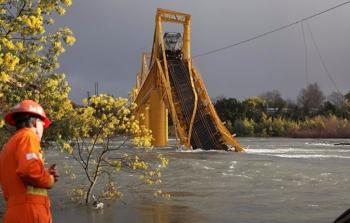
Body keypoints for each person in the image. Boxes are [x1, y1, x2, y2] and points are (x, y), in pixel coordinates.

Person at [0, 100, 59, 223]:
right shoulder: (28, 136)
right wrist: (49, 180)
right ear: (37, 123)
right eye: (43, 125)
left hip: (14, 213)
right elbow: (29, 171)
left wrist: (45, 171)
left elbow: (20, 176)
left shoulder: (9, 145)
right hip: (30, 213)